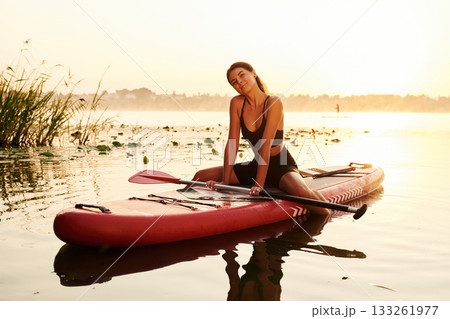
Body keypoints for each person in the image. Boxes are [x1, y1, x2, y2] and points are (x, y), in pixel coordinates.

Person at [192, 62, 329, 215]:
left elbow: (265, 145)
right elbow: (232, 143)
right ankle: (184, 211)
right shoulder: (237, 103)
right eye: (234, 82)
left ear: (254, 73)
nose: (239, 82)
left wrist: (260, 184)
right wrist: (225, 181)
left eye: (242, 75)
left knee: (300, 192)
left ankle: (326, 213)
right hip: (257, 164)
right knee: (200, 176)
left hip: (280, 164)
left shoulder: (273, 102)